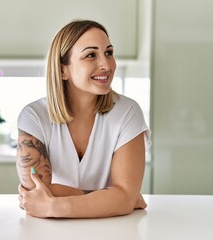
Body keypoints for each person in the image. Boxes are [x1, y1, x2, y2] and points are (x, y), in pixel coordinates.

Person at [16, 19, 150, 219]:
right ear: (63, 70)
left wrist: (54, 207)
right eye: (90, 55)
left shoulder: (128, 112)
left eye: (109, 53)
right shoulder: (34, 116)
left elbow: (125, 198)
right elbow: (35, 194)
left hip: (114, 231)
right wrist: (114, 199)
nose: (106, 64)